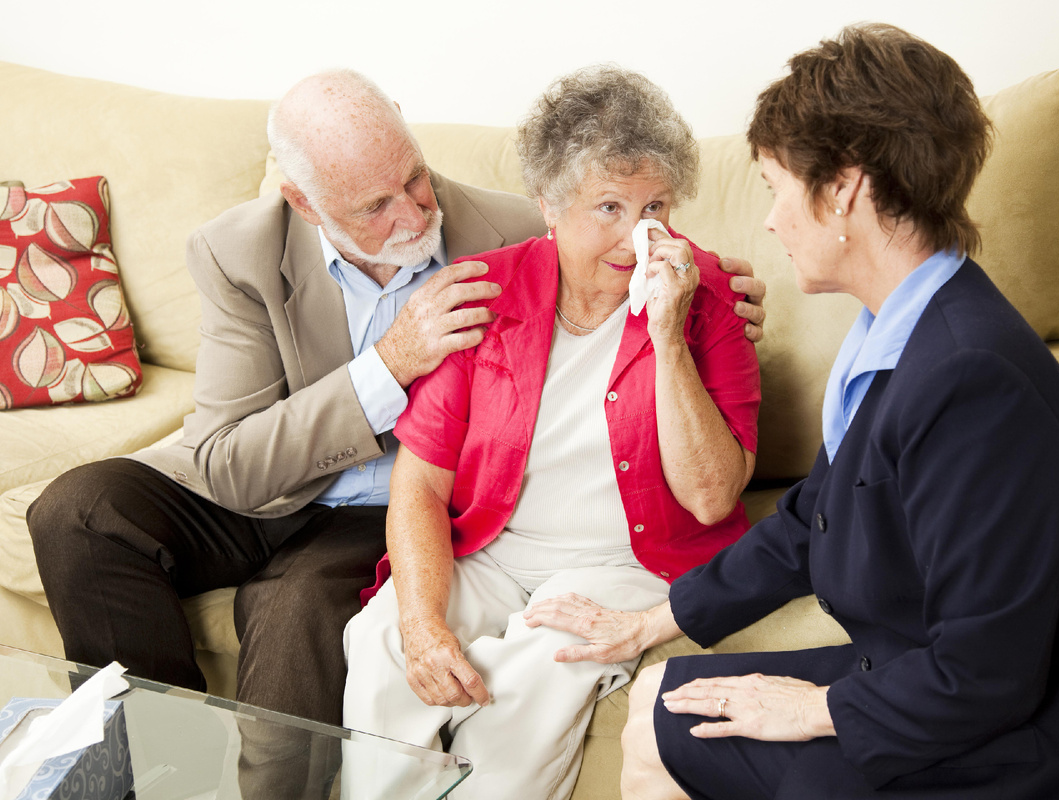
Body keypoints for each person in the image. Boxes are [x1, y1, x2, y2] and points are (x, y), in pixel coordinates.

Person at [524, 24, 1059, 799]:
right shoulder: (896, 332)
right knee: (656, 699)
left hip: (1043, 720)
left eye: (777, 187)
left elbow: (988, 671)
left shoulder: (974, 382)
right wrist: (650, 623)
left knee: (700, 744)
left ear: (843, 189)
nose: (771, 220)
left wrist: (814, 709)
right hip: (934, 671)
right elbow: (813, 518)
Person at [25, 67, 769, 727]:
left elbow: (623, 245)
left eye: (414, 179)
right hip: (272, 480)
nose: (413, 217)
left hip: (391, 505)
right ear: (304, 202)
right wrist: (390, 363)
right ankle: (163, 757)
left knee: (294, 612)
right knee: (76, 512)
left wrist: (716, 303)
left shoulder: (511, 228)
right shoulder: (237, 251)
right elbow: (229, 465)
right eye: (375, 206)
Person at [340, 65, 760, 800]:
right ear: (549, 205)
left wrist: (667, 334)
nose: (639, 235)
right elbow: (421, 481)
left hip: (629, 561)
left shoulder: (705, 295)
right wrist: (421, 620)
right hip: (495, 552)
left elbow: (710, 497)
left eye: (655, 206)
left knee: (540, 669)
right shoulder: (482, 292)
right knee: (380, 640)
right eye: (609, 207)